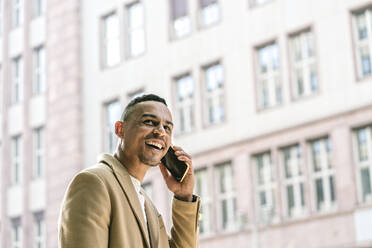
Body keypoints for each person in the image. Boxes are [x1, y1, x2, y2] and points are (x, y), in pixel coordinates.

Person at [58, 94, 200, 248]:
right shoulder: (93, 182)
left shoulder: (148, 207)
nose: (161, 132)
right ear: (120, 129)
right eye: (149, 122)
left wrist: (184, 197)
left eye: (167, 128)